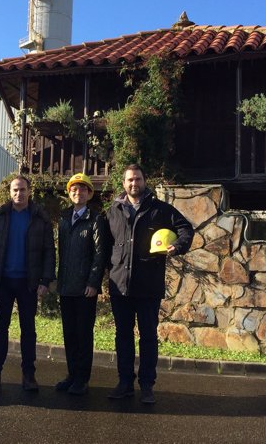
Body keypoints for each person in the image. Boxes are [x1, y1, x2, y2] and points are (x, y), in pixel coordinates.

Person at [105, 164, 193, 404]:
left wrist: (179, 246)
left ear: (145, 181)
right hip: (120, 286)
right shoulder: (113, 211)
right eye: (130, 180)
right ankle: (124, 382)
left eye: (138, 179)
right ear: (123, 183)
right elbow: (105, 246)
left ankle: (146, 386)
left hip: (148, 286)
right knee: (122, 336)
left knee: (148, 337)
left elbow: (186, 228)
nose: (134, 184)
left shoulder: (160, 209)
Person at [0, 175, 55, 391]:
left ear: (29, 191)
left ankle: (29, 375)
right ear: (9, 192)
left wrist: (45, 280)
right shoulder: (0, 216)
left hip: (28, 283)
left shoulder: (40, 217)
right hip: (2, 282)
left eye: (22, 189)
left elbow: (49, 251)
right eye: (15, 190)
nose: (18, 193)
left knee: (28, 330)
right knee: (0, 328)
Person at [55, 173, 107, 396]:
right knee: (69, 334)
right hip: (66, 286)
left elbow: (100, 254)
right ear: (69, 193)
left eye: (83, 189)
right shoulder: (64, 218)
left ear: (89, 193)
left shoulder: (96, 219)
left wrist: (93, 283)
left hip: (86, 288)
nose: (79, 192)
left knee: (84, 334)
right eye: (74, 189)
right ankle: (72, 374)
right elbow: (62, 252)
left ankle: (82, 379)